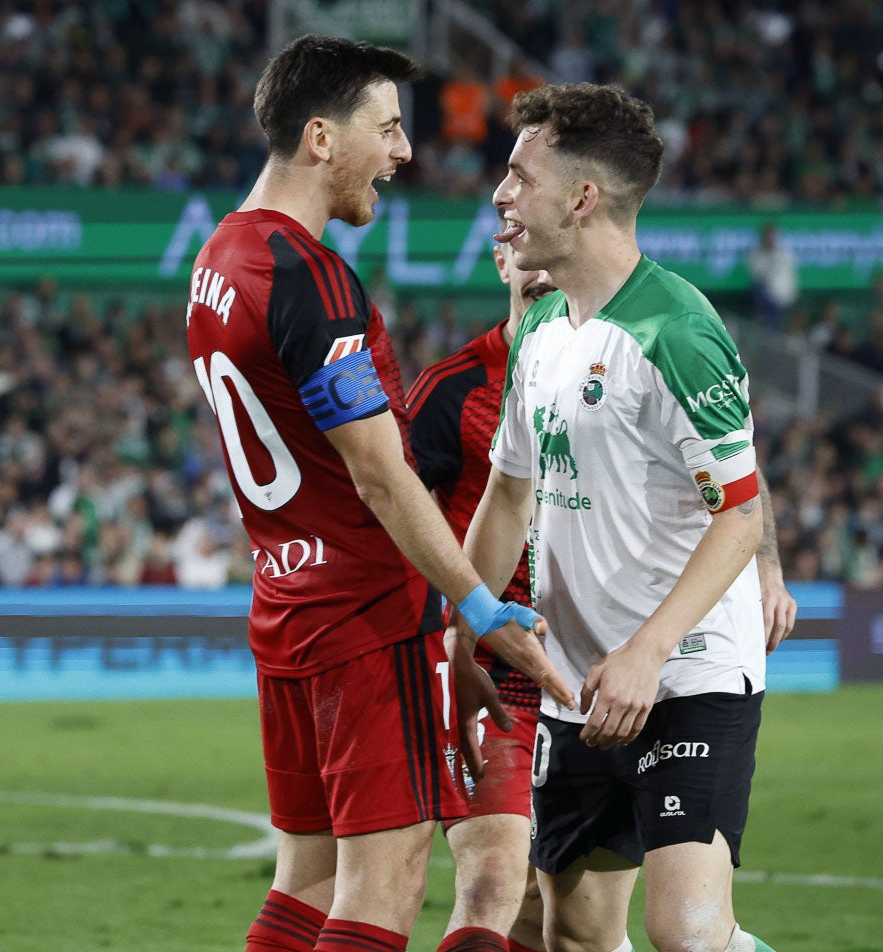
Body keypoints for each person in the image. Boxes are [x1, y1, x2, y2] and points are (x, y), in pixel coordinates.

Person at [184, 35, 573, 952]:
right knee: (381, 890)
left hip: (284, 603)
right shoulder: (307, 276)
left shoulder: (216, 260)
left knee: (306, 884)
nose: (403, 152)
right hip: (364, 617)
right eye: (388, 128)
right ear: (321, 137)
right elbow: (379, 474)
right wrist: (479, 610)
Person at [459, 82, 781, 952]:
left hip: (684, 674)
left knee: (684, 932)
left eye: (521, 176)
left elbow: (739, 519)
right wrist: (462, 637)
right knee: (574, 934)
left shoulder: (676, 331)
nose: (501, 195)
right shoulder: (540, 331)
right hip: (576, 683)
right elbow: (506, 496)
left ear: (582, 196)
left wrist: (647, 651)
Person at [407, 243, 556, 952]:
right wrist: (447, 642)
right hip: (491, 669)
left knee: (554, 909)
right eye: (522, 248)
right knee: (493, 878)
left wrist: (764, 569)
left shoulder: (624, 369)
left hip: (602, 668)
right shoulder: (453, 388)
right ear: (500, 261)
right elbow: (394, 519)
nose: (541, 267)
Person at [747, 222, 797, 333]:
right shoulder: (756, 254)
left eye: (772, 236)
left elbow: (789, 279)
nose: (770, 239)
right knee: (759, 288)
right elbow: (757, 274)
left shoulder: (784, 254)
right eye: (768, 236)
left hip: (781, 297)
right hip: (764, 297)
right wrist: (768, 255)